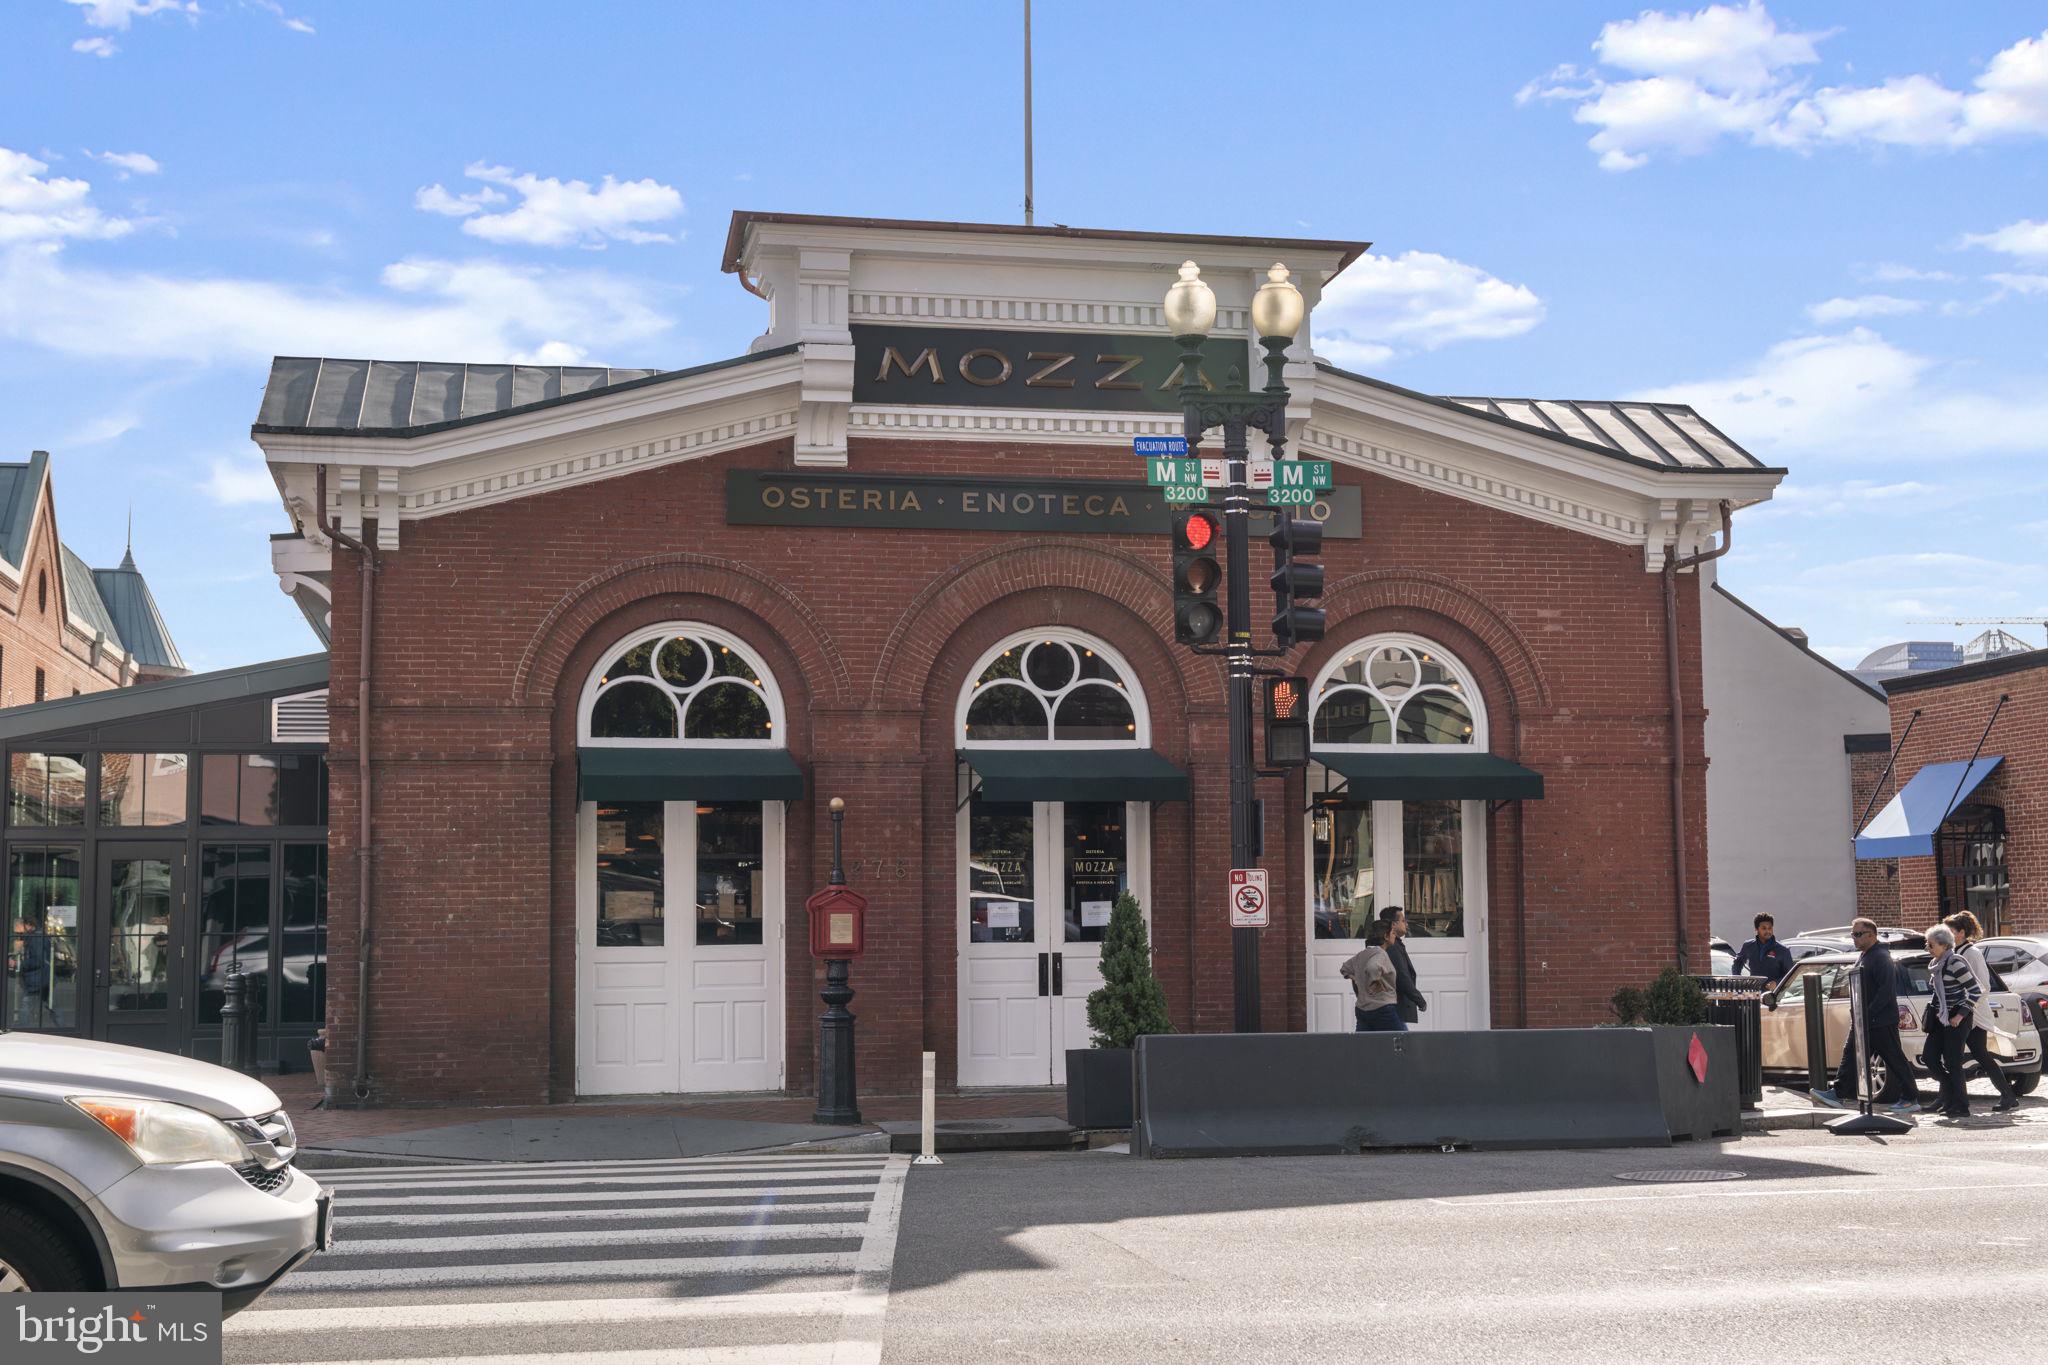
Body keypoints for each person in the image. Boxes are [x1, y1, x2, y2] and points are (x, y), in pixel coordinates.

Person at [1810, 918, 1920, 1113]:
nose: (1854, 938)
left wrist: (1868, 1014)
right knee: (1851, 1054)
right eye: (1853, 934)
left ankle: (1911, 1098)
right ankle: (1838, 1093)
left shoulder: (1880, 956)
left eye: (1858, 934)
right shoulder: (1865, 955)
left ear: (1871, 935)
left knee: (1894, 1058)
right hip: (1864, 1019)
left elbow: (1886, 990)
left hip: (1880, 1020)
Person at [1945, 911, 2021, 1114]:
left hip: (1973, 1013)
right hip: (1965, 1011)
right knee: (1973, 1055)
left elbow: (1983, 985)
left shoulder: (1972, 953)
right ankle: (2007, 1095)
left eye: (1950, 930)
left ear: (1961, 932)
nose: (1947, 934)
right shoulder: (1955, 952)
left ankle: (2006, 1095)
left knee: (1971, 1055)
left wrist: (1966, 1006)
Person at [1921, 924, 1981, 1119]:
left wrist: (1960, 1015)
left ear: (1945, 945)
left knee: (1953, 1062)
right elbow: (1938, 994)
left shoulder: (1955, 962)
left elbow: (1975, 991)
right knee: (1929, 1056)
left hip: (1957, 1017)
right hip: (1941, 1017)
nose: (1928, 949)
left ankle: (1961, 1105)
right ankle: (1948, 1092)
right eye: (1927, 944)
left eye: (1931, 945)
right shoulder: (1937, 965)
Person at [1340, 921, 1403, 1032]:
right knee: (1402, 1044)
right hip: (1383, 1009)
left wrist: (1356, 980)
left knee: (1366, 1047)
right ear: (1385, 936)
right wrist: (1375, 981)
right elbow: (1372, 967)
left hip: (1362, 1010)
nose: (1395, 936)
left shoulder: (1363, 954)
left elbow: (1345, 968)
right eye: (1393, 933)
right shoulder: (1381, 954)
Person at [1378, 905, 1429, 1025]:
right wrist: (1419, 1000)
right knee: (1402, 1040)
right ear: (1393, 925)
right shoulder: (1393, 947)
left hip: (1393, 1008)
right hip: (1394, 1008)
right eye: (1403, 920)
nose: (1406, 923)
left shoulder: (1396, 945)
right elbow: (1402, 976)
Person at [1731, 912, 1793, 983]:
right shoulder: (1748, 946)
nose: (1768, 931)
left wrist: (1777, 983)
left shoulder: (1783, 950)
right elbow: (1737, 962)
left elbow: (1790, 975)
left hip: (1775, 993)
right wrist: (1738, 979)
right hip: (1754, 992)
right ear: (1756, 929)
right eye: (1764, 928)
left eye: (1770, 928)